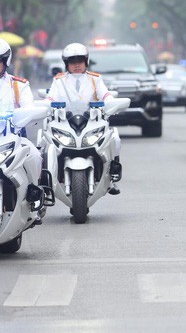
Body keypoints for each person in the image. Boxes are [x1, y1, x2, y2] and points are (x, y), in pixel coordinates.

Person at [46, 43, 122, 194]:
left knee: (115, 138)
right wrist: (45, 106)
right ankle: (46, 181)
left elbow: (106, 95)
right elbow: (50, 99)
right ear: (66, 64)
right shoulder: (59, 80)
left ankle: (112, 177)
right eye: (72, 62)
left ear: (86, 62)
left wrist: (111, 103)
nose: (76, 65)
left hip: (92, 121)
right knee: (45, 143)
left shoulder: (96, 79)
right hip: (66, 122)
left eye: (79, 61)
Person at [0, 39, 44, 210]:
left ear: (5, 62)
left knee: (34, 155)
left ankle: (34, 196)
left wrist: (26, 114)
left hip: (15, 139)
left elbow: (30, 107)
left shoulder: (19, 85)